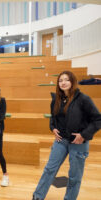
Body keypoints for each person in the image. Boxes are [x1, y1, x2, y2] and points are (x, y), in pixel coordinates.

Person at [33, 71, 101, 200]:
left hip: (78, 143)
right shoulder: (56, 99)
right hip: (61, 141)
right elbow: (53, 118)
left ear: (72, 82)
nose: (63, 83)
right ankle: (37, 197)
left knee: (75, 176)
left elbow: (98, 120)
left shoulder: (83, 99)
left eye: (66, 80)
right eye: (60, 80)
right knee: (49, 170)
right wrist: (53, 128)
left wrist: (84, 135)